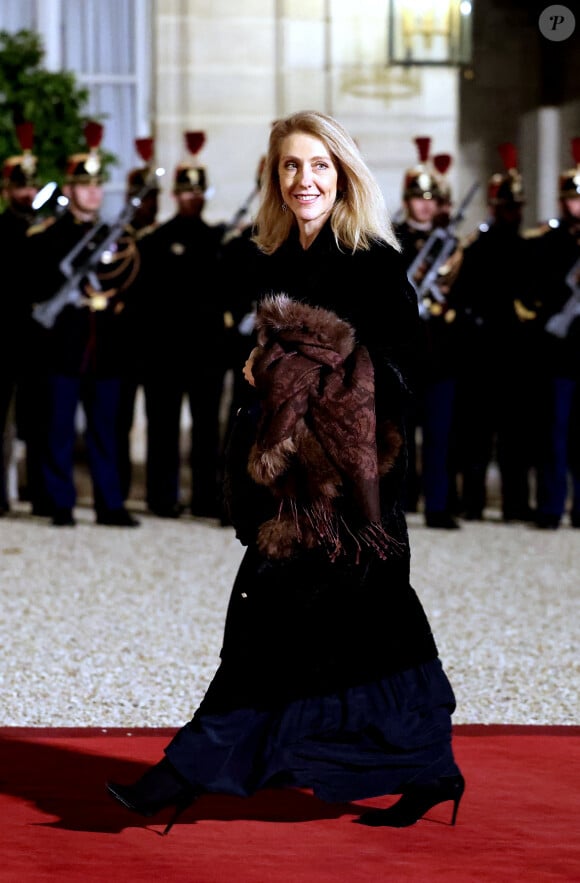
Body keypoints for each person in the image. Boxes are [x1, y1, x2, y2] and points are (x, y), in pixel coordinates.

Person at [106, 110, 464, 833]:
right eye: (292, 166)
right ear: (274, 177)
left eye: (320, 165)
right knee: (380, 630)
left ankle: (183, 774)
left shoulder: (372, 261)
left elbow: (411, 371)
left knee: (268, 626)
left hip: (343, 492)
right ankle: (431, 766)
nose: (306, 180)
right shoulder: (272, 258)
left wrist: (320, 379)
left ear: (344, 174)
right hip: (288, 482)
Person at [25, 122, 140, 528]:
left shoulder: (115, 236)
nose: (92, 192)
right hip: (63, 347)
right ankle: (61, 503)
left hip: (105, 349)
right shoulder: (45, 239)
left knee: (105, 432)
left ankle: (110, 504)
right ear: (69, 189)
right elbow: (37, 292)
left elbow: (128, 286)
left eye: (97, 185)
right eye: (83, 185)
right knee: (58, 429)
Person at [136, 131, 229, 519]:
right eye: (185, 191)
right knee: (163, 428)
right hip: (164, 351)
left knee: (208, 431)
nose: (191, 196)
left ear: (205, 194)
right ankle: (162, 497)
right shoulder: (155, 239)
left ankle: (205, 497)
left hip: (206, 352)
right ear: (175, 194)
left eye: (197, 191)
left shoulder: (219, 239)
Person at [449, 143, 539, 523]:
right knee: (476, 435)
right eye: (507, 207)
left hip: (516, 355)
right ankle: (472, 501)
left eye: (516, 207)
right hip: (481, 354)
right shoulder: (476, 248)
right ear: (494, 208)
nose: (513, 213)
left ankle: (516, 502)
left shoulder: (528, 249)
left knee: (516, 437)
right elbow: (461, 298)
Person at [393, 138, 462, 529]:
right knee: (401, 436)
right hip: (405, 352)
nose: (423, 205)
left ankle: (438, 504)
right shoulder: (391, 242)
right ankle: (399, 504)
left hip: (440, 352)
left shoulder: (449, 243)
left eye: (430, 199)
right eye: (417, 198)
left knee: (440, 434)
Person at [527, 136, 580, 529]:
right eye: (572, 198)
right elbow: (540, 293)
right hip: (560, 354)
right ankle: (550, 507)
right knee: (554, 434)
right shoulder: (550, 243)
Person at [0, 122, 45, 516]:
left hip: (39, 339)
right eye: (21, 187)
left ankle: (38, 491)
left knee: (38, 419)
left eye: (32, 187)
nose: (28, 193)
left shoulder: (43, 230)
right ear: (8, 190)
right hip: (6, 336)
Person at [115, 137, 162, 503]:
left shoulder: (163, 239)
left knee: (161, 426)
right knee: (119, 424)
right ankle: (117, 492)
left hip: (158, 349)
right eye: (143, 196)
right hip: (125, 346)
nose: (149, 203)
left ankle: (159, 496)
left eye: (153, 196)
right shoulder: (117, 240)